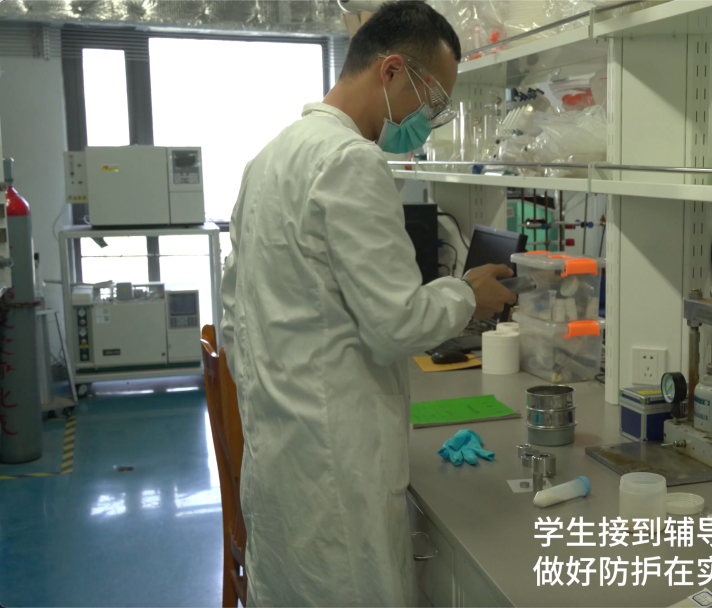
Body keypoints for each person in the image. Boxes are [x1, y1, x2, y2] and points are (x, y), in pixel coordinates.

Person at [218, 2, 516, 605]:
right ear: (391, 71)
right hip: (338, 471)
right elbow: (395, 325)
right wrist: (467, 294)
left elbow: (233, 320)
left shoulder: (268, 159)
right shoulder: (350, 161)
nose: (427, 122)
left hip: (280, 455)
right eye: (432, 102)